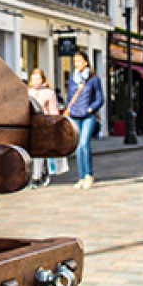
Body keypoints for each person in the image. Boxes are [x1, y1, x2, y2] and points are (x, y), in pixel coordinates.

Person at [66, 51, 104, 189]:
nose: (77, 64)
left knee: (84, 144)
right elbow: (69, 97)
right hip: (75, 115)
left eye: (79, 61)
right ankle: (81, 177)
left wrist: (90, 109)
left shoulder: (94, 79)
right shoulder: (72, 79)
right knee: (77, 147)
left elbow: (100, 99)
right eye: (75, 61)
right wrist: (68, 109)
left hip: (88, 115)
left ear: (86, 62)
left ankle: (89, 175)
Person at [28, 68, 59, 187]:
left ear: (42, 79)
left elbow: (53, 111)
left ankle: (36, 177)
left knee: (39, 150)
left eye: (38, 79)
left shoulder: (49, 93)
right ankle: (43, 171)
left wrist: (53, 125)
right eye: (33, 79)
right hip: (31, 124)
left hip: (43, 125)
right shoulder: (28, 92)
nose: (35, 81)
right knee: (34, 151)